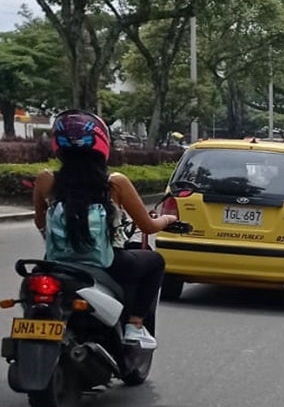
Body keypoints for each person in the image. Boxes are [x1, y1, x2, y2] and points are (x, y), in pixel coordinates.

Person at [31, 110, 178, 349]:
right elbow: (147, 226)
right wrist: (168, 219)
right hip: (107, 263)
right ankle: (135, 325)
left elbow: (40, 223)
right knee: (155, 262)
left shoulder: (46, 180)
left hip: (57, 263)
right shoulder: (115, 183)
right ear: (101, 143)